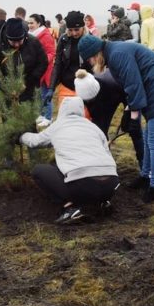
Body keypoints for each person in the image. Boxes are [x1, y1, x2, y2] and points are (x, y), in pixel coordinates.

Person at [77, 35, 154, 203]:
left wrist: (134, 117)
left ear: (96, 54)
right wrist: (129, 109)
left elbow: (134, 84)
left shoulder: (117, 54)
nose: (90, 64)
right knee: (149, 138)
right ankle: (146, 176)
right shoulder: (114, 52)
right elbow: (130, 84)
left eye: (90, 59)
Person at [19, 96, 119, 224]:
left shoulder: (58, 126)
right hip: (111, 184)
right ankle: (102, 202)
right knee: (87, 168)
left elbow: (35, 141)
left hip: (83, 185)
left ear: (62, 110)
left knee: (39, 171)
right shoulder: (93, 127)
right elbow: (106, 151)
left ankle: (70, 209)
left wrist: (21, 137)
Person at [75, 68, 144, 171]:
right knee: (99, 131)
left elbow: (134, 96)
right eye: (87, 101)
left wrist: (128, 113)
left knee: (135, 129)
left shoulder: (114, 82)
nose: (89, 101)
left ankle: (144, 167)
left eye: (91, 99)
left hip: (124, 93)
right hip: (103, 102)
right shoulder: (81, 91)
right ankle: (103, 164)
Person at [0, 17, 48, 104]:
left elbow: (43, 62)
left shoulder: (33, 42)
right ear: (7, 38)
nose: (16, 45)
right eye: (13, 42)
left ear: (24, 35)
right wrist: (7, 87)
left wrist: (27, 82)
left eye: (19, 41)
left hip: (30, 90)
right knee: (9, 116)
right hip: (7, 93)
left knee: (29, 115)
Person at [51, 11, 92, 113]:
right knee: (65, 119)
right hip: (66, 85)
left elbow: (96, 66)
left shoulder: (91, 40)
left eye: (77, 29)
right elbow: (58, 63)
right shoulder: (63, 39)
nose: (74, 33)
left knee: (84, 119)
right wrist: (52, 87)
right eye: (70, 30)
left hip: (85, 86)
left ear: (83, 26)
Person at [28, 14, 56, 123]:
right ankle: (42, 114)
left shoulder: (45, 35)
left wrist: (42, 62)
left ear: (38, 23)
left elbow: (51, 52)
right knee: (39, 94)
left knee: (46, 94)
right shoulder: (30, 35)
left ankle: (48, 117)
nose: (29, 25)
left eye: (32, 23)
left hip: (46, 70)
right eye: (28, 23)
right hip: (36, 70)